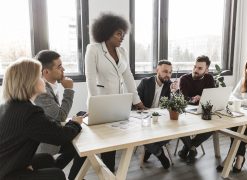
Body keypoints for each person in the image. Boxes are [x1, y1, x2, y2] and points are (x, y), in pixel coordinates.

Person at [0, 58, 83, 180]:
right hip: (7, 174)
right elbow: (59, 136)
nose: (43, 80)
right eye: (39, 76)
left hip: (6, 164)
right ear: (29, 82)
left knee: (46, 159)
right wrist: (75, 123)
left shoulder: (7, 106)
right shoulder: (29, 112)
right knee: (57, 175)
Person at [85, 13, 144, 172]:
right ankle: (108, 172)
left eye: (123, 33)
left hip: (119, 104)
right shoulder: (93, 49)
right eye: (118, 33)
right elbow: (90, 80)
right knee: (106, 143)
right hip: (102, 103)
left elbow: (129, 76)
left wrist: (137, 101)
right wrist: (94, 105)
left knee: (116, 141)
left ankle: (112, 171)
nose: (122, 37)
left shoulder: (122, 51)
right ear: (106, 32)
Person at [34, 50, 86, 180]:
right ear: (46, 72)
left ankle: (73, 176)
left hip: (53, 133)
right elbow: (60, 116)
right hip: (45, 143)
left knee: (80, 142)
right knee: (82, 143)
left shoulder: (51, 85)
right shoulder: (42, 92)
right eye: (59, 66)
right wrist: (69, 90)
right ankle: (71, 176)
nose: (63, 69)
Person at [137, 60, 178, 169]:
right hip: (144, 118)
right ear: (157, 70)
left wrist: (174, 92)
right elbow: (135, 101)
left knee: (174, 131)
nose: (168, 75)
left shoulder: (170, 85)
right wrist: (143, 110)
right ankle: (160, 154)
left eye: (170, 72)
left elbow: (174, 106)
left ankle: (150, 150)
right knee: (142, 135)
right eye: (165, 71)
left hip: (161, 120)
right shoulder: (145, 82)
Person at [178, 55, 215, 164]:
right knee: (179, 126)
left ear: (206, 70)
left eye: (200, 68)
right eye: (195, 67)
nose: (195, 70)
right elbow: (183, 98)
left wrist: (202, 99)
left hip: (202, 110)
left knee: (213, 125)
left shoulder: (209, 78)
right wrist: (193, 99)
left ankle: (189, 148)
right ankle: (192, 149)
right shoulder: (184, 79)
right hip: (187, 112)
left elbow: (211, 96)